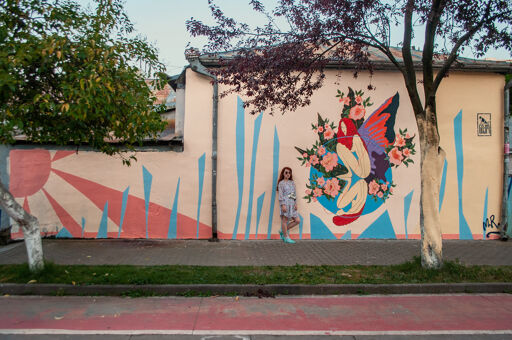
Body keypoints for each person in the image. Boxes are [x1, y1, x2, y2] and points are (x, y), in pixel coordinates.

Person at [277, 167, 300, 244]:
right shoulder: (281, 183)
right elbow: (280, 194)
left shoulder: (292, 183)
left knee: (297, 220)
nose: (288, 174)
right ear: (283, 173)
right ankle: (286, 237)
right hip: (285, 203)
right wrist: (282, 205)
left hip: (292, 203)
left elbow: (293, 194)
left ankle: (282, 231)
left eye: (289, 173)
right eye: (286, 172)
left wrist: (295, 203)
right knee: (285, 220)